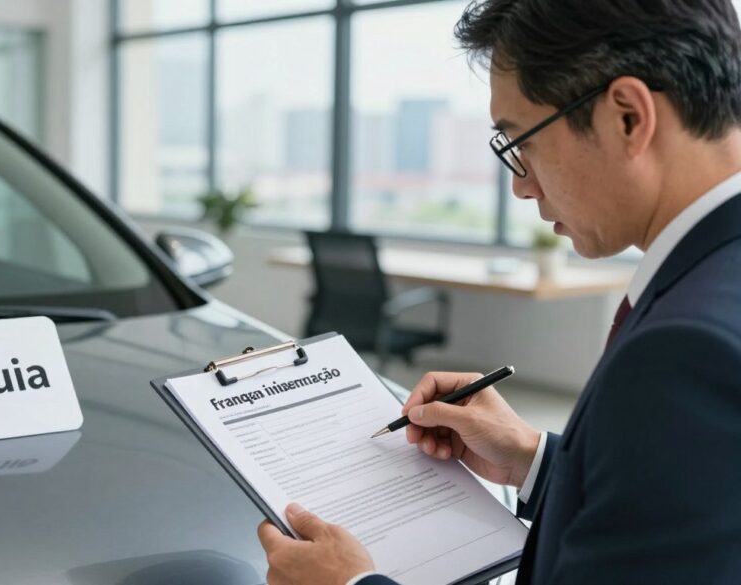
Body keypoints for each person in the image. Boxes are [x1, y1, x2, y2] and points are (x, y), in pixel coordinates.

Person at [256, 0, 741, 583]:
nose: (521, 187)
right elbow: (680, 502)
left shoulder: (688, 352)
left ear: (628, 118)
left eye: (521, 142)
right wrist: (534, 459)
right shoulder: (711, 279)